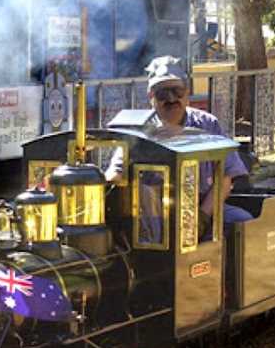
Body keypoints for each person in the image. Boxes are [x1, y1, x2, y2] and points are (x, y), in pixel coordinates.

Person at [105, 56, 253, 232]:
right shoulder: (138, 129)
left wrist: (203, 216)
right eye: (162, 93)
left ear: (187, 94)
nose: (171, 99)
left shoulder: (207, 124)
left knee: (243, 222)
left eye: (177, 91)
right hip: (155, 214)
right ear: (151, 97)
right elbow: (116, 172)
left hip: (202, 206)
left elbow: (225, 178)